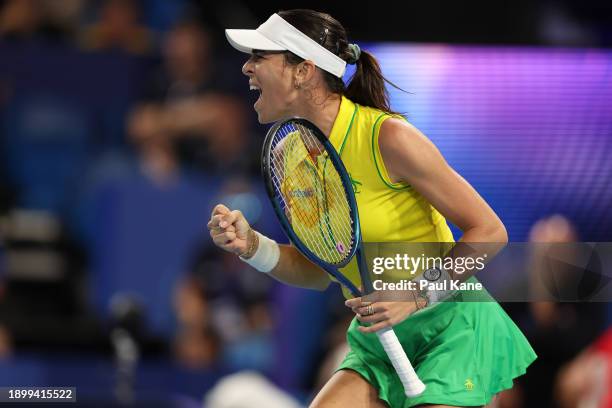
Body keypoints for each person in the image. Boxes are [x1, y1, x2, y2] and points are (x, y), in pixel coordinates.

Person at [208, 9, 536, 408]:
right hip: (379, 340)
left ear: (303, 70)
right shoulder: (290, 155)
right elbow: (320, 269)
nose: (246, 66)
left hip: (453, 328)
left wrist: (414, 295)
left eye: (260, 56)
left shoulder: (389, 137)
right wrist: (253, 247)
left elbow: (489, 232)